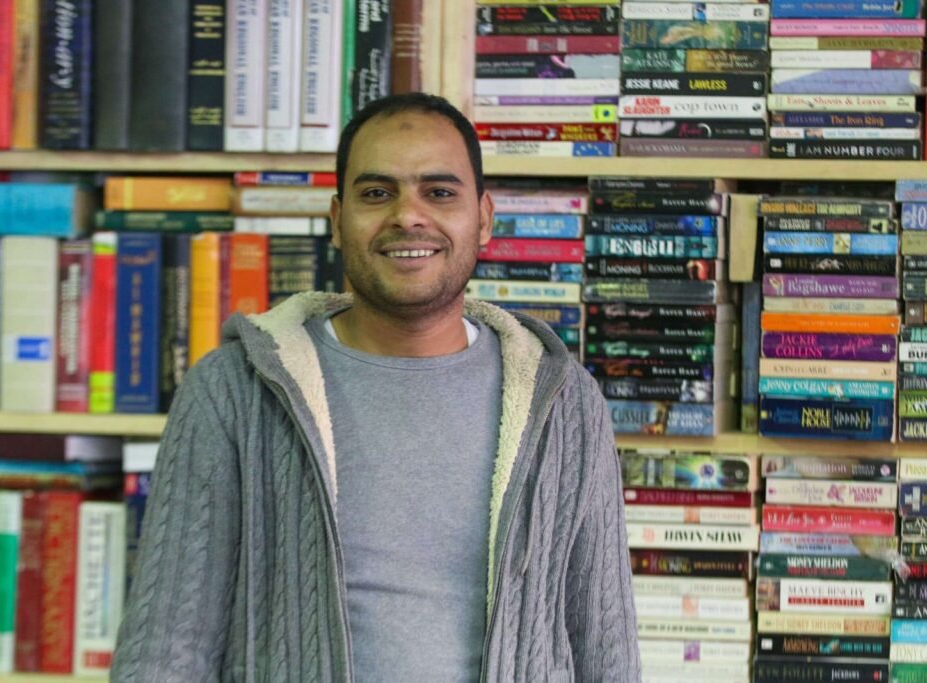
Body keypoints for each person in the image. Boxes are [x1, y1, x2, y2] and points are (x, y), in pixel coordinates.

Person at [111, 93, 640, 682]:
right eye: (376, 193)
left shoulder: (564, 402)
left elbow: (605, 645)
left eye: (439, 192)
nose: (407, 216)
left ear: (484, 218)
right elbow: (165, 648)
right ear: (336, 221)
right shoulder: (232, 391)